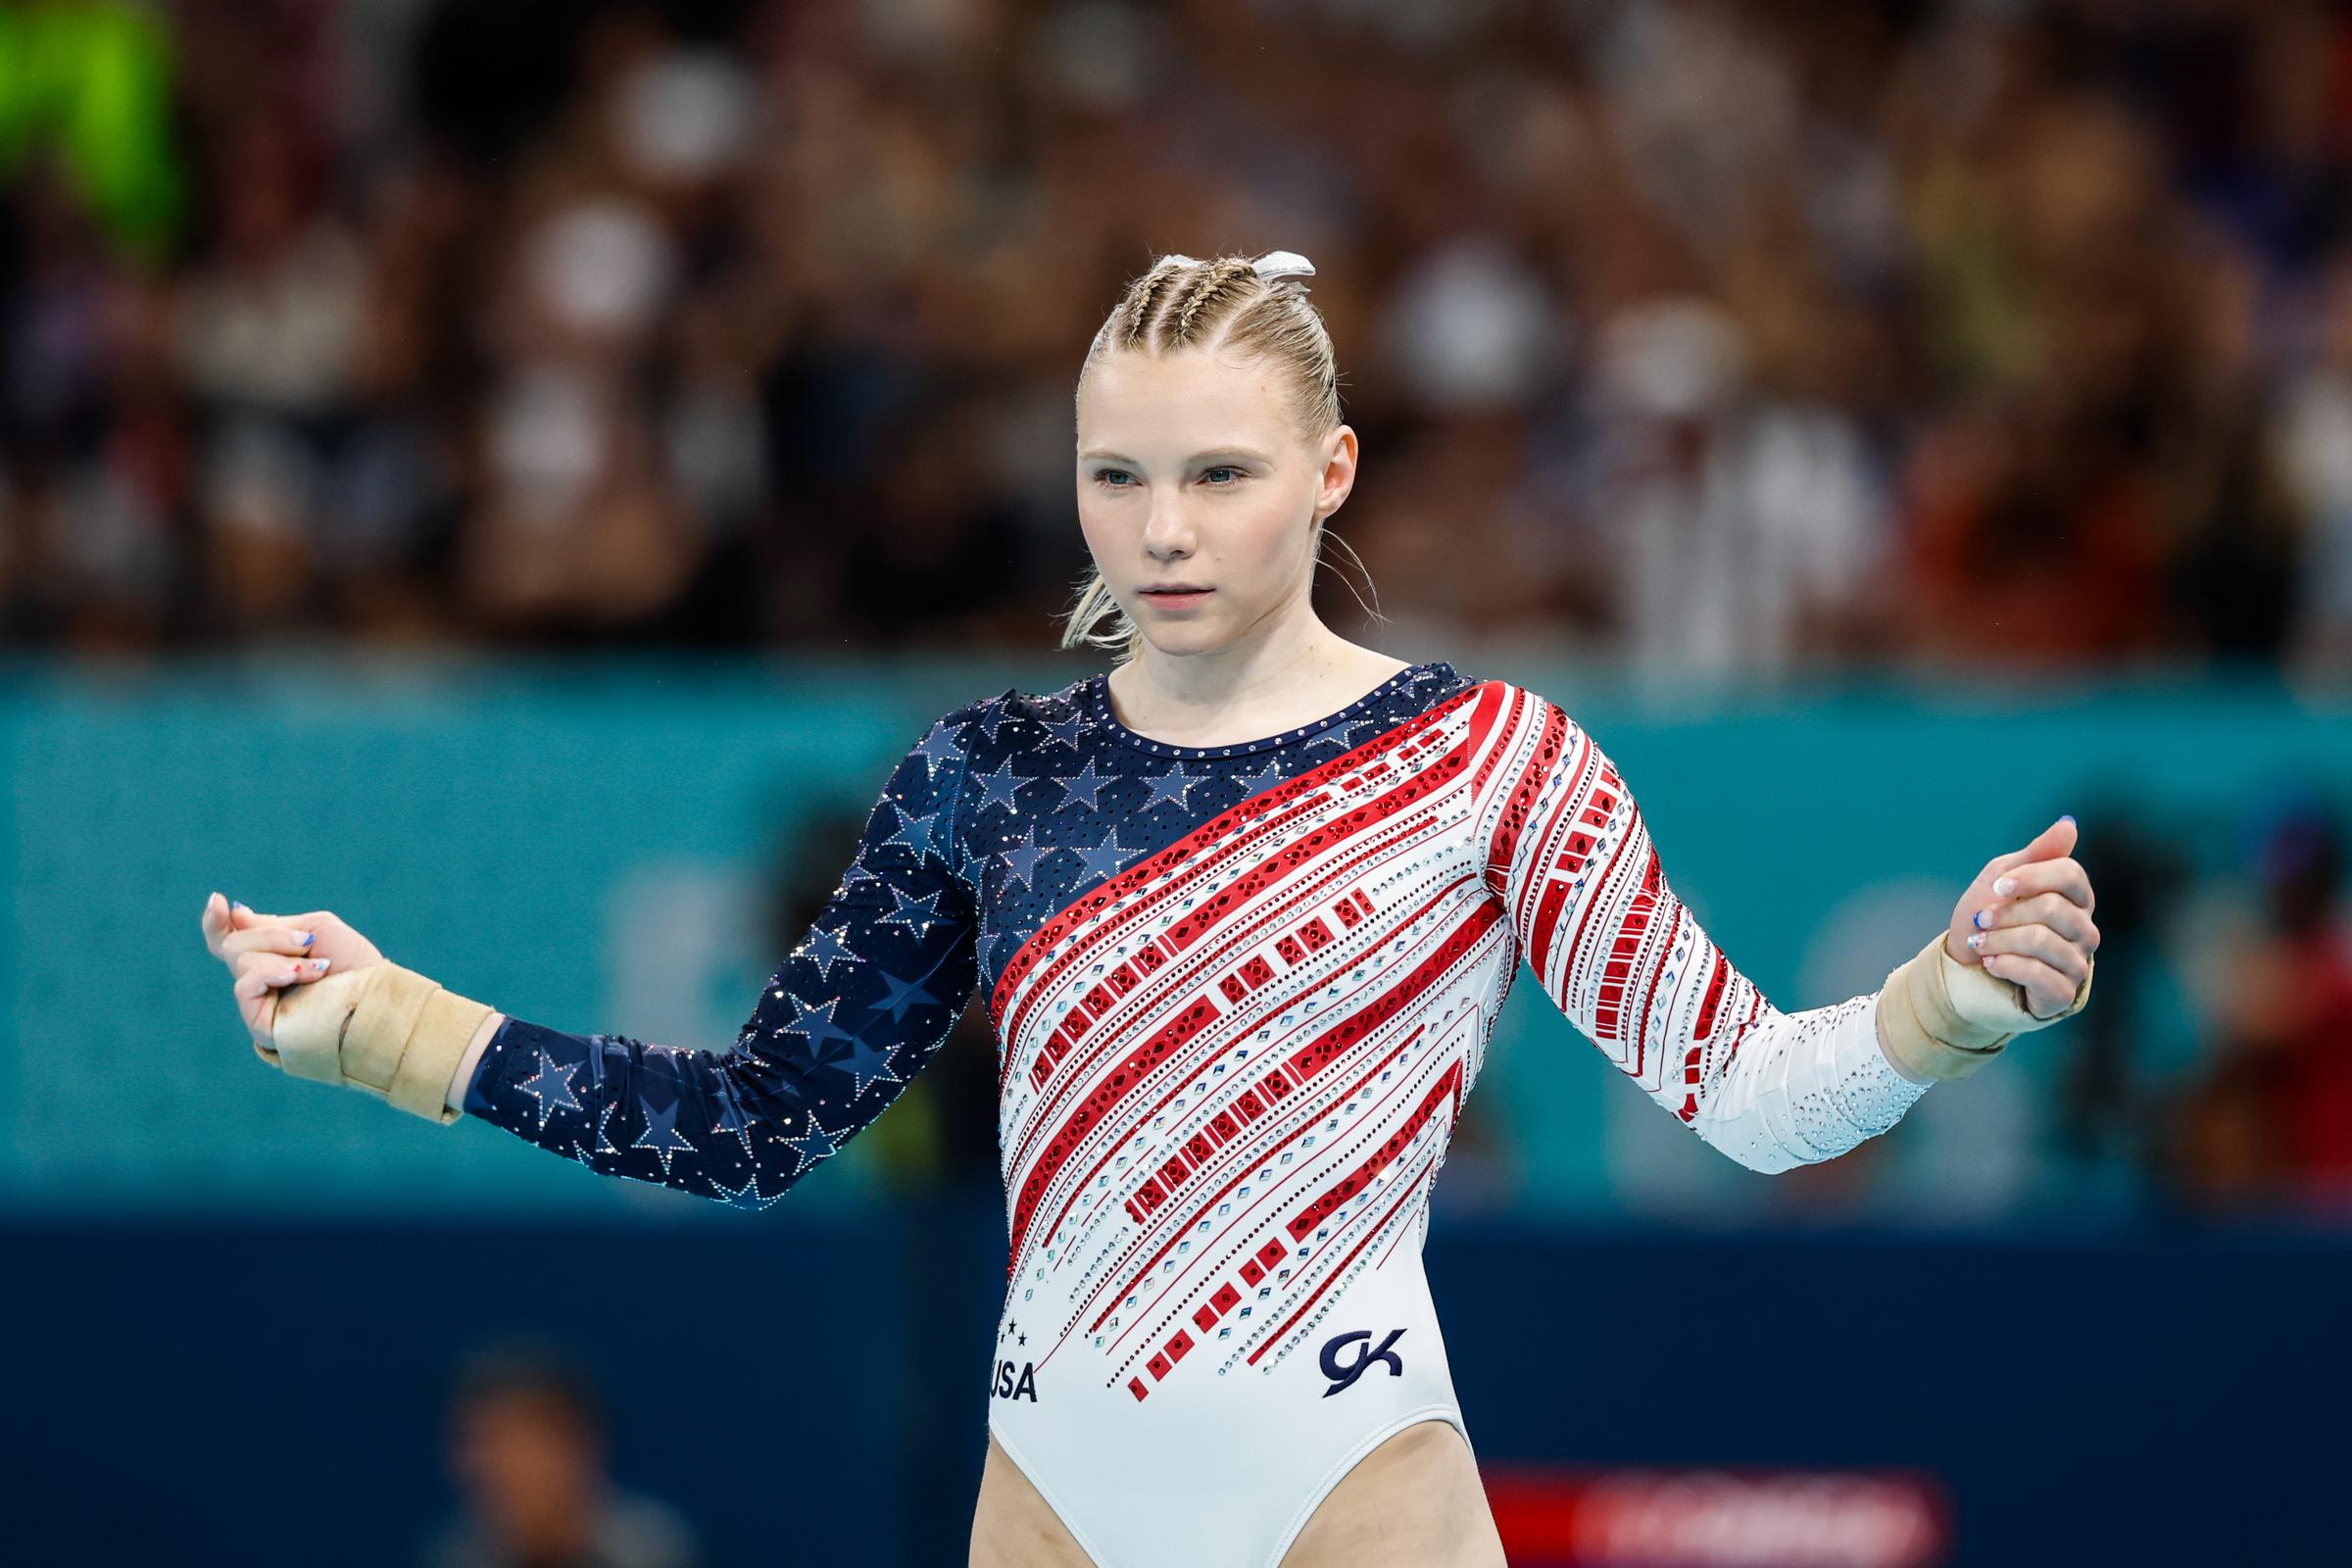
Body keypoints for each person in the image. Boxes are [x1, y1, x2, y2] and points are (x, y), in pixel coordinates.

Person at [199, 250, 2099, 1568]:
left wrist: (1954, 997)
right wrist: (391, 1025)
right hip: (1059, 1498)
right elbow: (747, 1123)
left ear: (1330, 471)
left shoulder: (1488, 758)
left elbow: (1749, 1091)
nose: (1165, 528)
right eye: (1120, 475)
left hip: (1357, 1482)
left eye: (1220, 474)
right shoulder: (984, 774)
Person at [423, 1340, 701, 1568]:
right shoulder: (455, 1554)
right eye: (477, 1443)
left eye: (522, 1444)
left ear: (583, 1447)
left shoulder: (651, 1552)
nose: (496, 1467)